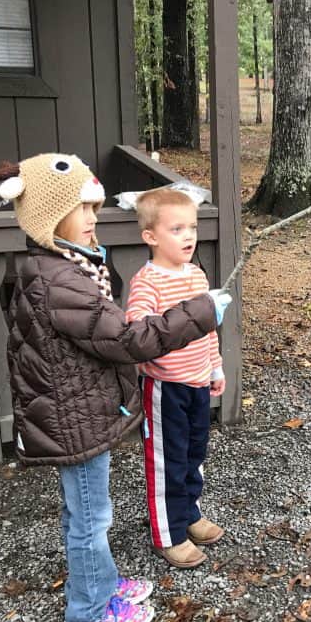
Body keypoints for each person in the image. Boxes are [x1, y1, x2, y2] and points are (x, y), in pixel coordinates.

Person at [0, 154, 231, 622]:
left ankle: (100, 585)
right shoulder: (59, 281)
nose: (95, 221)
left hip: (80, 412)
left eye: (96, 209)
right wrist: (202, 312)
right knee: (89, 517)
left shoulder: (62, 269)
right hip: (73, 419)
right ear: (49, 218)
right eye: (84, 210)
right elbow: (128, 341)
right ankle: (88, 612)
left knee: (93, 512)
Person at [126, 188, 227, 569]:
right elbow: (138, 330)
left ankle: (189, 514)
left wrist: (215, 367)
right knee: (167, 460)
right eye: (177, 228)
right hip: (165, 387)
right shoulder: (146, 282)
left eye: (193, 227)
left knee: (194, 453)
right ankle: (168, 533)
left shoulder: (197, 275)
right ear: (150, 236)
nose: (189, 236)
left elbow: (208, 329)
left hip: (198, 381)